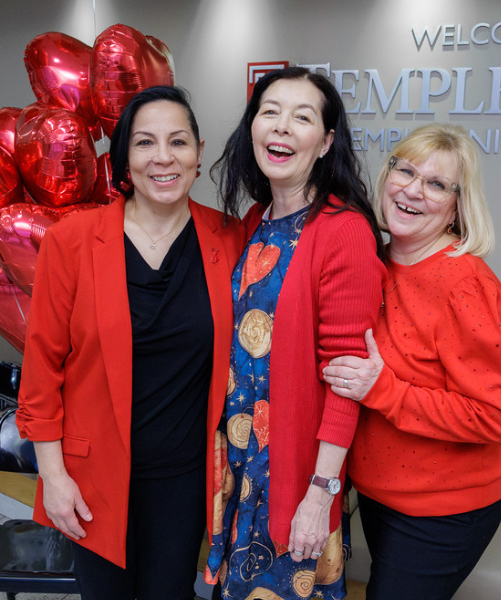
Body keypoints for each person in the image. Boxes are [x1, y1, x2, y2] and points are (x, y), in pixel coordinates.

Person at [15, 86, 244, 600]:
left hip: (185, 479)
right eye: (145, 143)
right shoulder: (71, 242)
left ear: (199, 152)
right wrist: (53, 476)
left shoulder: (228, 238)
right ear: (124, 158)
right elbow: (42, 368)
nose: (163, 157)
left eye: (178, 142)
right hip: (91, 476)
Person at [204, 66, 386, 600]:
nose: (282, 127)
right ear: (252, 128)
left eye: (302, 118)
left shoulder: (344, 232)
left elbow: (345, 381)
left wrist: (320, 493)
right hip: (239, 462)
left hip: (294, 470)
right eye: (270, 112)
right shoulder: (256, 220)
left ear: (327, 141)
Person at [322, 123, 501, 600]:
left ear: (457, 205)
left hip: (445, 509)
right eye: (405, 170)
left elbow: (494, 416)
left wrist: (383, 389)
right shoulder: (369, 258)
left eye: (436, 184)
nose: (413, 190)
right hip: (377, 493)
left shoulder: (465, 283)